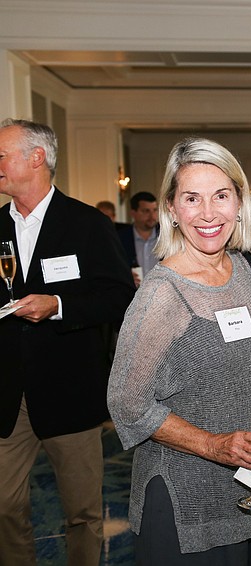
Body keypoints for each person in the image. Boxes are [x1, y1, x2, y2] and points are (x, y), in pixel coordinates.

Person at [107, 137, 251, 565]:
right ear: (172, 209)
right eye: (191, 198)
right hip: (185, 498)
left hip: (250, 486)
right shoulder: (161, 295)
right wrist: (214, 445)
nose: (208, 214)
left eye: (221, 196)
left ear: (240, 201)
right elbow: (126, 404)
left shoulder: (250, 269)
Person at [0, 118, 135, 566]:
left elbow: (118, 296)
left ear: (35, 158)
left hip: (69, 388)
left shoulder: (85, 224)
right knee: (4, 506)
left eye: (1, 155)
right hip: (7, 393)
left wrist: (57, 304)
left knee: (82, 511)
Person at [117, 190, 159, 286]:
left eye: (155, 210)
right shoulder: (120, 238)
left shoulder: (167, 236)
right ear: (133, 213)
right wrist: (125, 276)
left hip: (164, 295)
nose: (152, 216)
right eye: (146, 211)